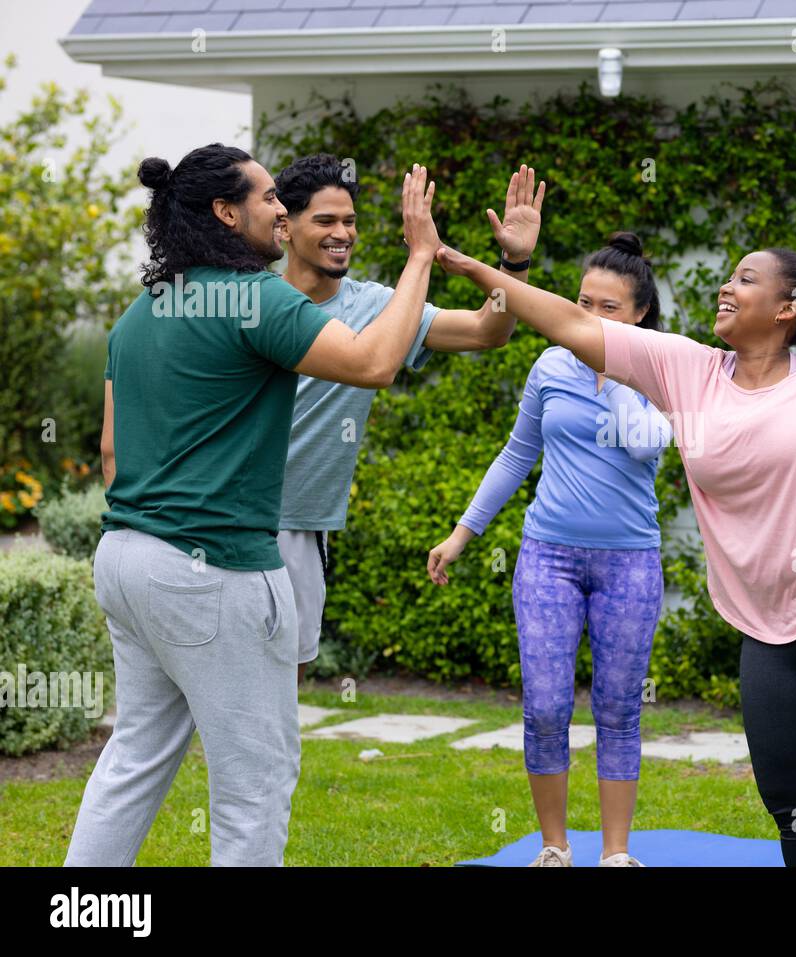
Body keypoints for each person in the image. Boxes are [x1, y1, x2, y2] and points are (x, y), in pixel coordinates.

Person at [431, 237, 796, 867]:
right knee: (790, 799)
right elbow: (570, 322)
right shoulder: (686, 369)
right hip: (767, 615)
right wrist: (475, 267)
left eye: (745, 279)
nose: (726, 288)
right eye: (729, 277)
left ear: (788, 307)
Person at [66, 145, 442, 866]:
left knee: (133, 759)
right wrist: (419, 257)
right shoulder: (256, 297)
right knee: (255, 782)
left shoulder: (142, 313)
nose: (281, 210)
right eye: (270, 198)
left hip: (124, 558)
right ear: (225, 212)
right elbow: (373, 363)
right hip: (216, 571)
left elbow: (112, 452)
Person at [427, 232, 672, 868]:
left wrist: (616, 368)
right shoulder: (549, 366)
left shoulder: (663, 368)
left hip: (630, 561)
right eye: (582, 302)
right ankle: (554, 848)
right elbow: (517, 455)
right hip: (549, 557)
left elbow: (649, 445)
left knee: (619, 709)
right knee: (544, 707)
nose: (588, 317)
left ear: (640, 313)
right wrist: (462, 533)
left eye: (608, 308)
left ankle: (616, 854)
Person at [275, 157, 545, 682]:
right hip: (235, 518)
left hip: (305, 523)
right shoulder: (256, 299)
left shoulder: (378, 305)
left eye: (349, 221)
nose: (343, 233)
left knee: (290, 672)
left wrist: (514, 265)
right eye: (325, 221)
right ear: (286, 226)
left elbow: (488, 331)